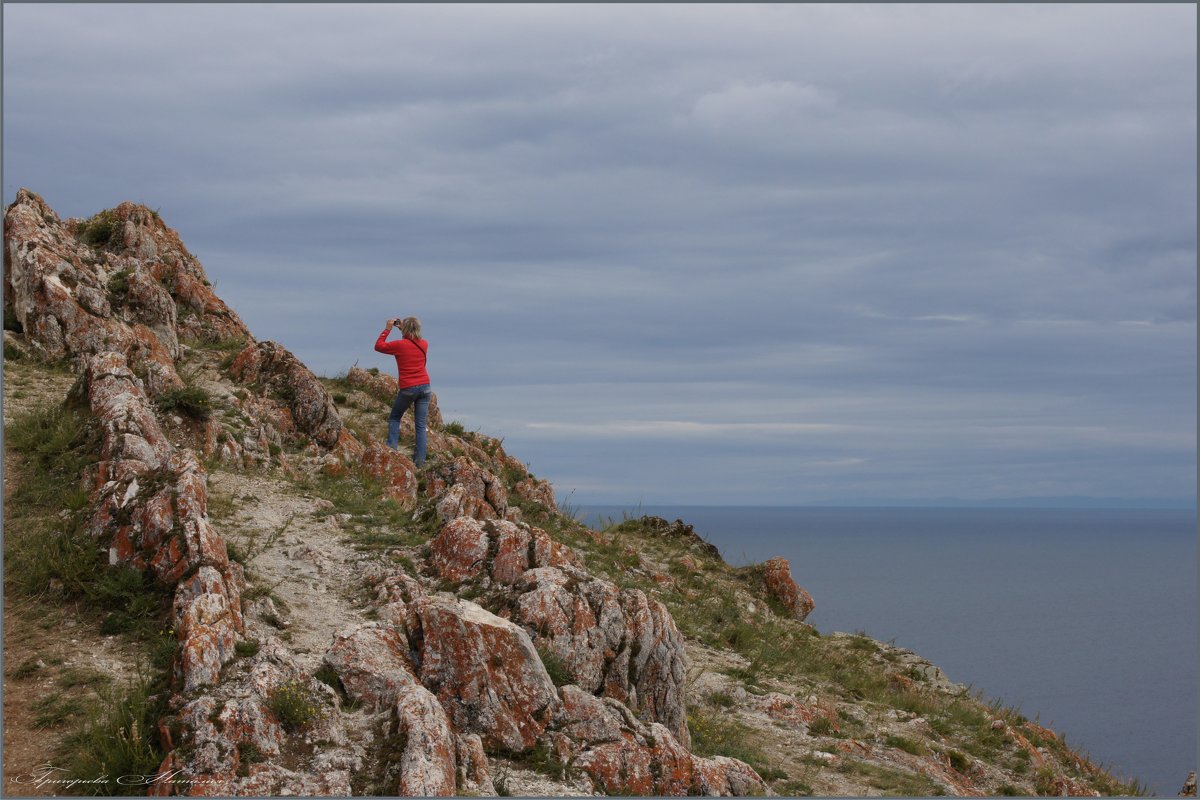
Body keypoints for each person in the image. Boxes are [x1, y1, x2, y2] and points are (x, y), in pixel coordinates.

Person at [374, 316, 432, 466]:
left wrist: (387, 329)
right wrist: (404, 329)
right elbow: (414, 340)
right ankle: (420, 463)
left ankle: (391, 451)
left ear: (405, 330)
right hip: (425, 387)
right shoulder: (424, 344)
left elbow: (379, 346)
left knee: (395, 417)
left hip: (408, 388)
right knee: (420, 425)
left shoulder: (399, 345)